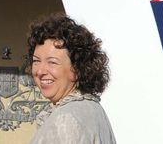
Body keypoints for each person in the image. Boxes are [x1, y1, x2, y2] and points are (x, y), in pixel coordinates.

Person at [27, 13, 116, 144]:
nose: (40, 71)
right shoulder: (94, 110)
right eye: (36, 61)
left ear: (77, 68)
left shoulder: (66, 119)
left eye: (52, 62)